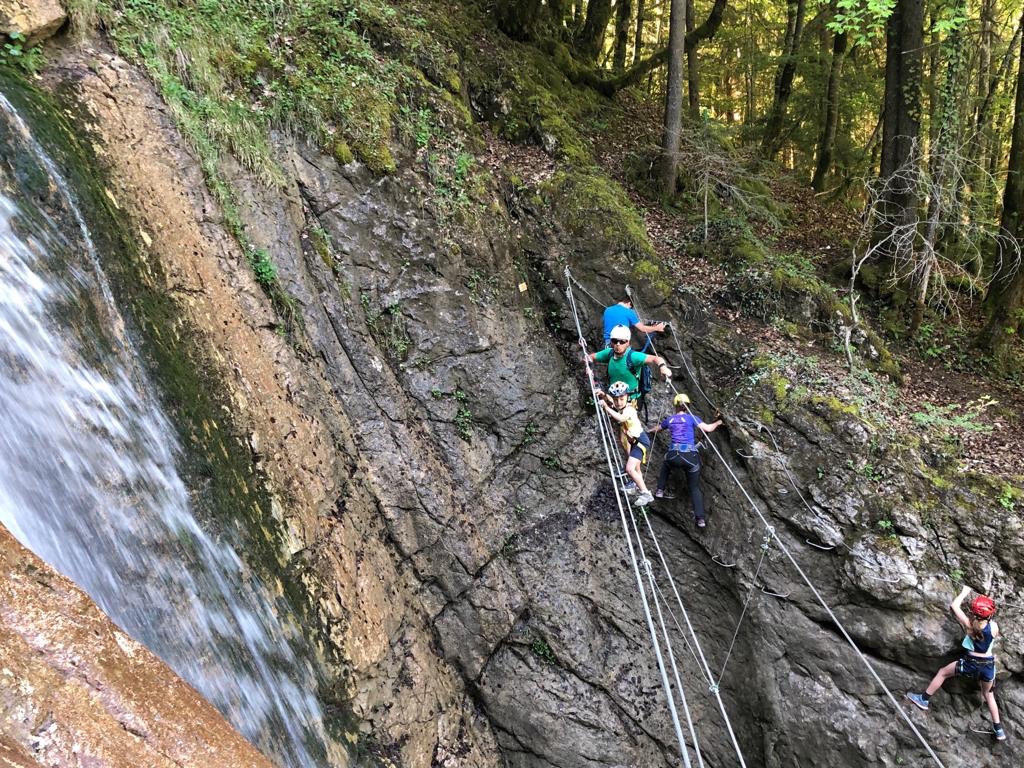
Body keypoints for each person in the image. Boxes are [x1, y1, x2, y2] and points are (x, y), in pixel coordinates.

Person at [906, 586, 1006, 741]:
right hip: (988, 665)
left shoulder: (969, 625)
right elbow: (989, 627)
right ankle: (998, 729)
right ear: (989, 614)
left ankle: (924, 699)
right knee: (988, 694)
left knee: (943, 672)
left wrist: (965, 592)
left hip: (970, 663)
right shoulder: (994, 627)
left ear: (974, 613)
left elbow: (954, 606)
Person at [648, 393, 722, 528]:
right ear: (687, 406)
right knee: (694, 488)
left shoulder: (669, 420)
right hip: (689, 457)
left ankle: (660, 489)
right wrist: (719, 422)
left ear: (675, 406)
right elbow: (709, 428)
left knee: (666, 464)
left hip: (673, 456)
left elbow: (657, 429)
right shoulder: (692, 418)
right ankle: (700, 519)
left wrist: (649, 430)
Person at [598, 381, 654, 507]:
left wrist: (606, 407)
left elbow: (621, 418)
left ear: (627, 397)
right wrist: (603, 395)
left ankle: (646, 493)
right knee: (636, 469)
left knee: (629, 469)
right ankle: (638, 488)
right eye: (617, 399)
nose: (619, 402)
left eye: (621, 399)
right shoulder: (621, 407)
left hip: (640, 441)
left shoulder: (628, 409)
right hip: (635, 441)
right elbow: (613, 403)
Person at [588, 325, 671, 403]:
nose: (618, 344)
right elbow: (589, 357)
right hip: (613, 399)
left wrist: (662, 367)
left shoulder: (633, 356)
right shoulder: (609, 353)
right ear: (611, 342)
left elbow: (656, 359)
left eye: (622, 342)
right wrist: (588, 367)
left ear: (628, 342)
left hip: (631, 400)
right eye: (615, 341)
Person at [602, 297, 667, 347]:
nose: (631, 309)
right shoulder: (629, 312)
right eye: (631, 307)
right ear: (629, 303)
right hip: (620, 343)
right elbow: (642, 329)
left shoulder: (607, 310)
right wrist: (657, 328)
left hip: (607, 343)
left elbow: (614, 322)